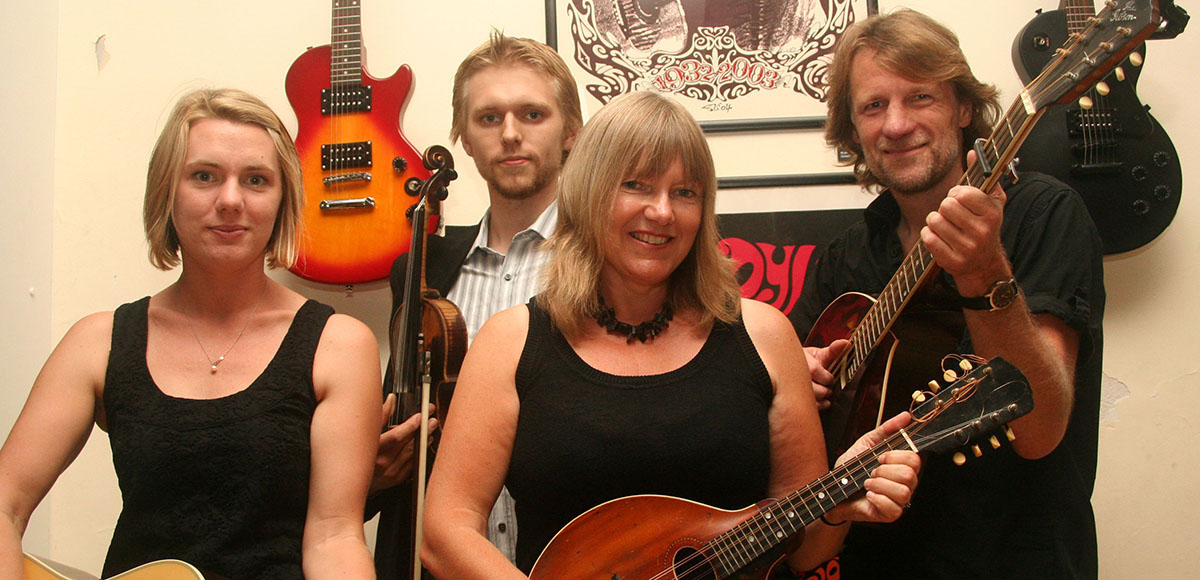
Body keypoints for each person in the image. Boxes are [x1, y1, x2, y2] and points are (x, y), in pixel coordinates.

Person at [420, 90, 921, 579]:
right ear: (589, 194)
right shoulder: (511, 342)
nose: (662, 212)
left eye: (685, 192)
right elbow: (444, 532)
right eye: (636, 185)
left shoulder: (765, 336)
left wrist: (838, 500)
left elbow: (806, 553)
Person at [0, 88, 380, 580]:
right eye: (204, 176)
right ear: (167, 191)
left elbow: (334, 536)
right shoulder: (98, 342)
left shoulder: (338, 346)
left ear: (282, 199)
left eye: (256, 180)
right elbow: (5, 503)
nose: (230, 200)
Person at [790, 9, 1105, 579]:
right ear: (853, 129)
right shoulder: (846, 254)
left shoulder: (1043, 214)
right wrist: (799, 375)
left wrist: (984, 275)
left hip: (1017, 562)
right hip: (878, 564)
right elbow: (793, 418)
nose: (896, 124)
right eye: (873, 106)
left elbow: (1039, 432)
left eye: (920, 97)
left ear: (963, 108)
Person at [369, 31, 582, 576]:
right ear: (462, 137)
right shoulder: (420, 270)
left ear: (571, 131)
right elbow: (396, 434)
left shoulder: (609, 263)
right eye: (488, 118)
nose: (509, 134)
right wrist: (374, 472)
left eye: (532, 114)